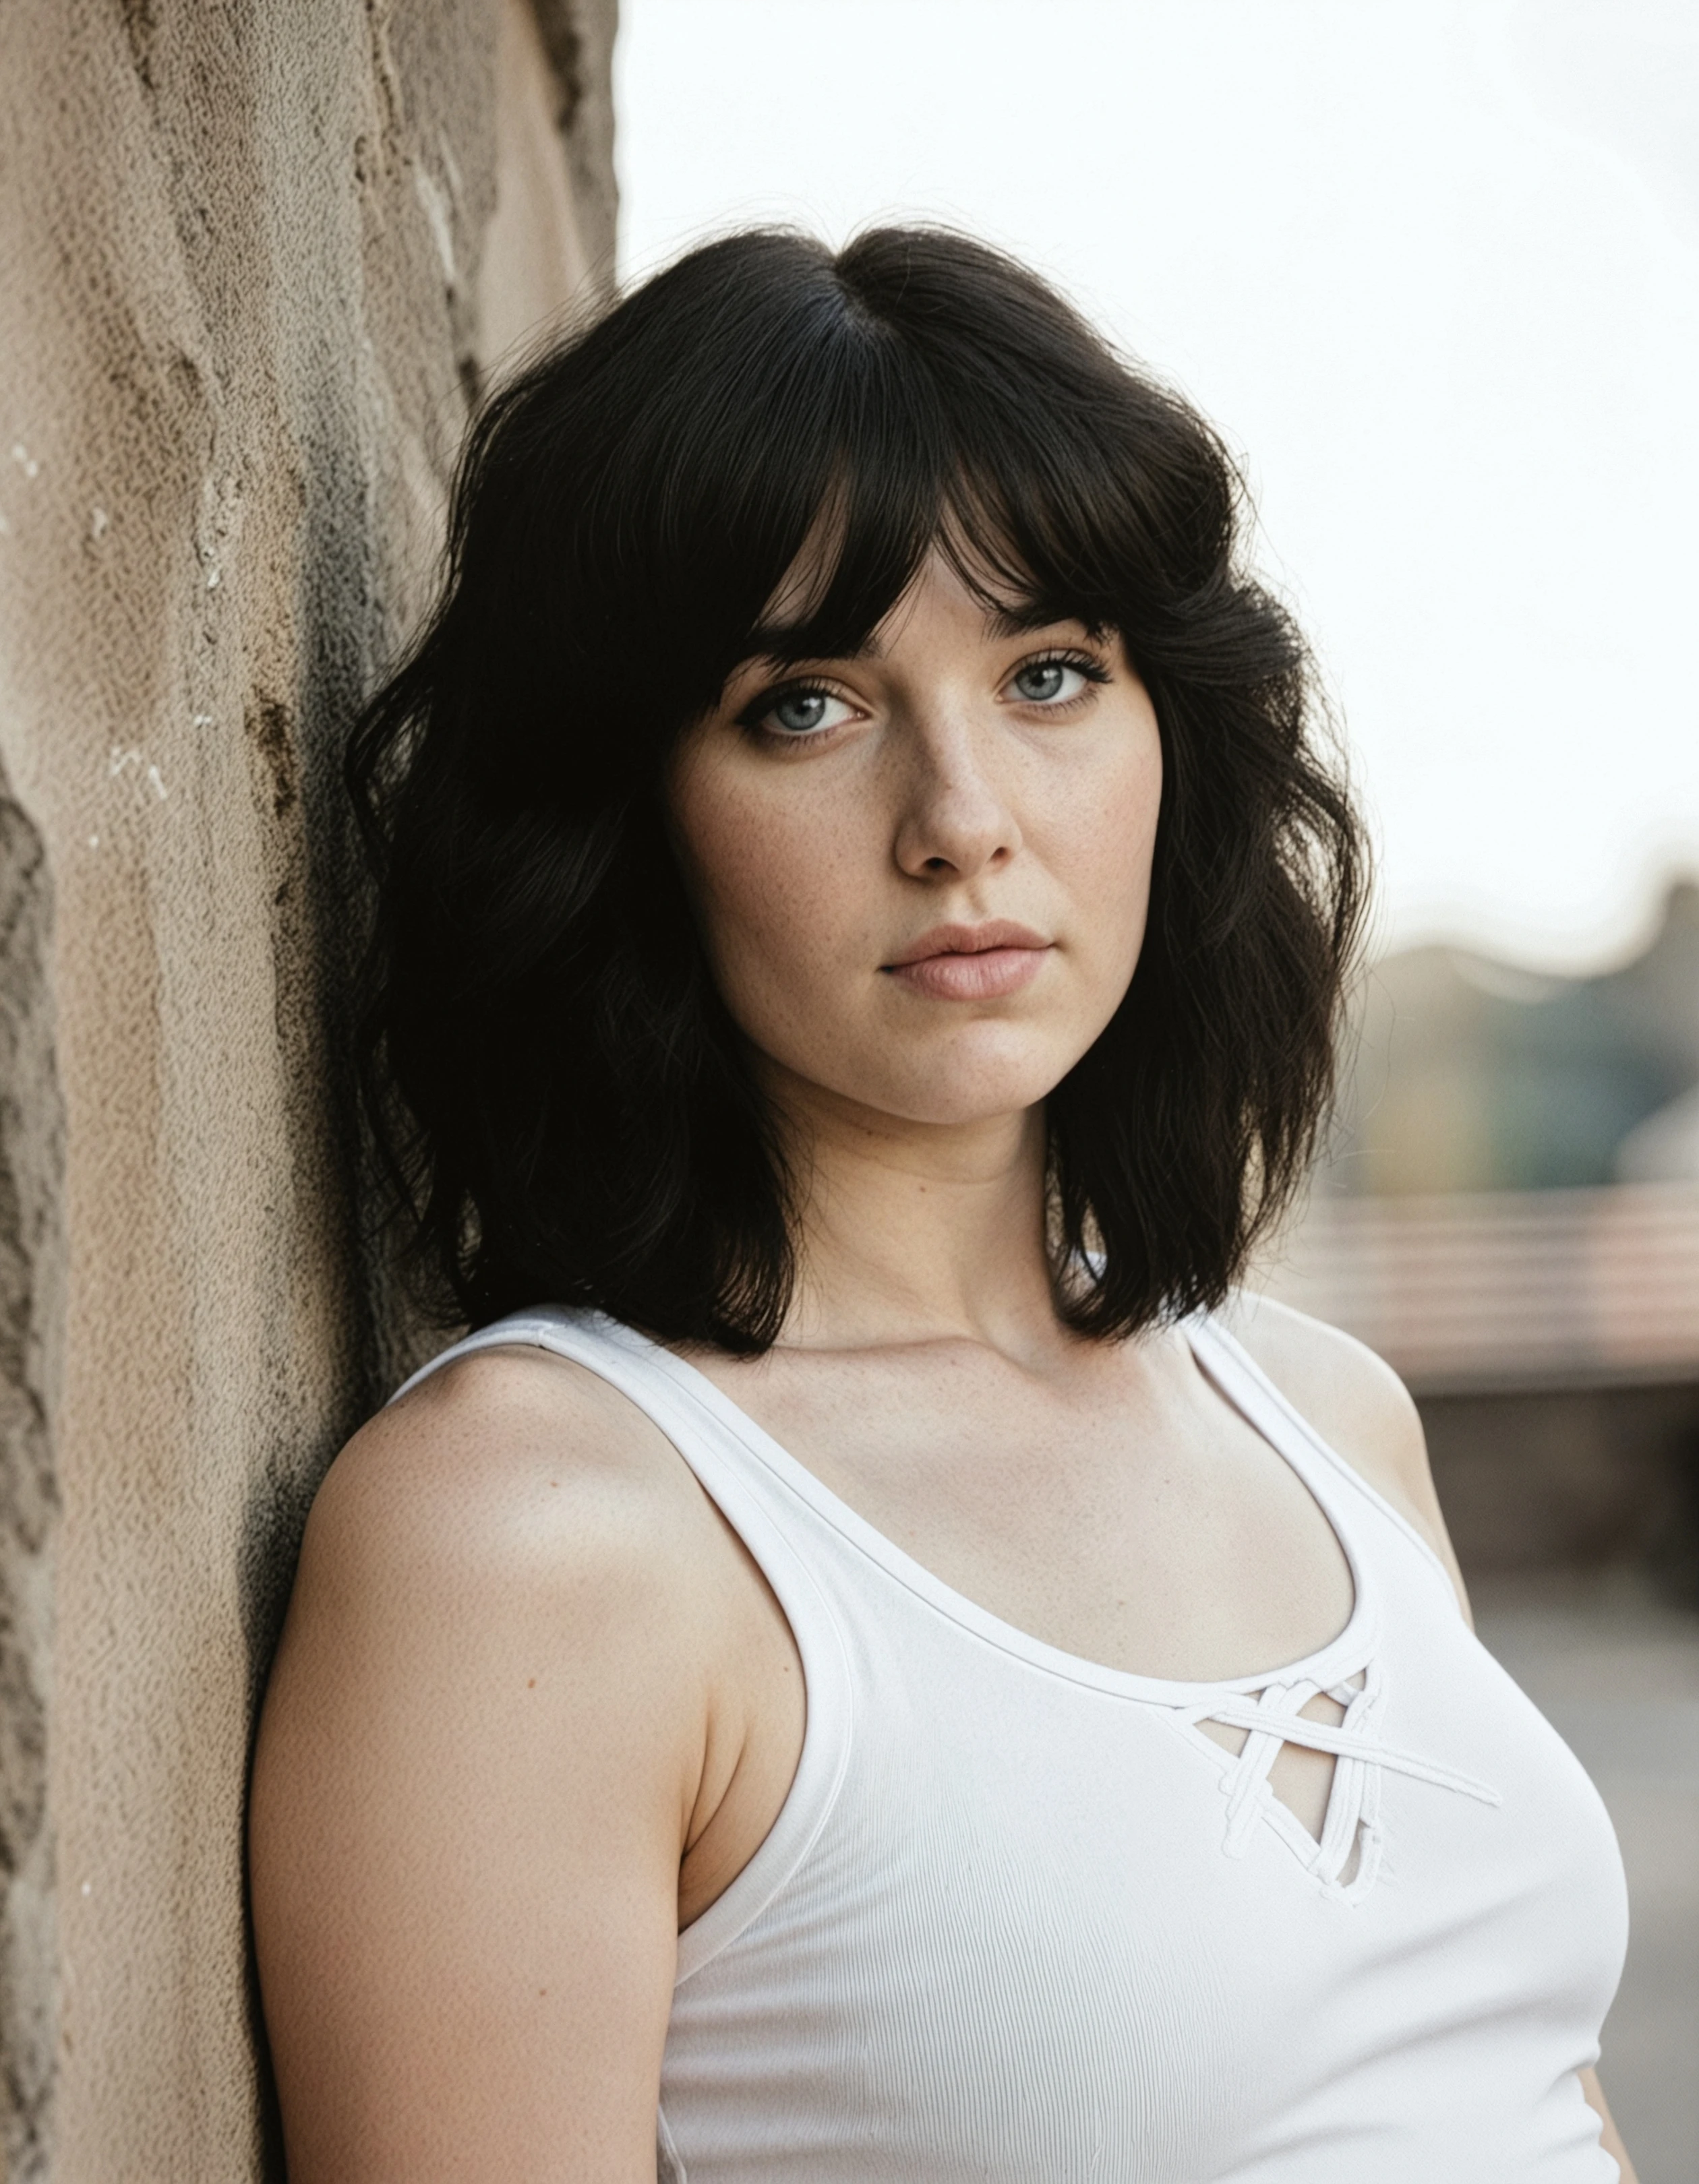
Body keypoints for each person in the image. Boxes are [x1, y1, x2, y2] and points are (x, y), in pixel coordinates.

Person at [249, 227, 1635, 2182]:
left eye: (1053, 673)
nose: (963, 815)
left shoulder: (1327, 1420)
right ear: (624, 811)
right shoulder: (540, 1532)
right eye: (806, 705)